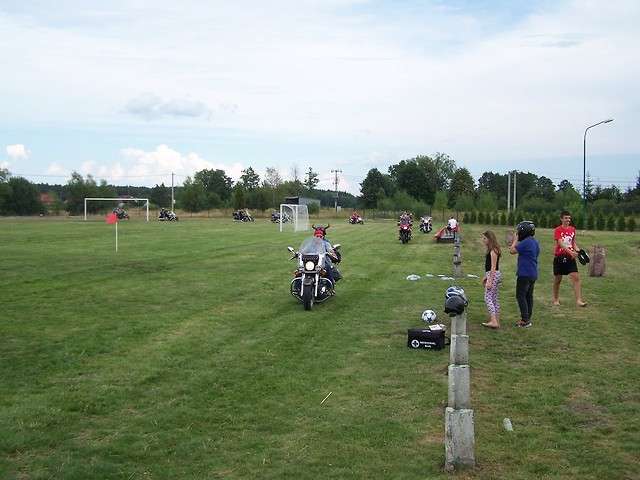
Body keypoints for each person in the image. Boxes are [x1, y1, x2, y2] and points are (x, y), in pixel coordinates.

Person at [553, 211, 587, 307]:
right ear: (561, 219)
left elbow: (572, 243)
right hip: (560, 257)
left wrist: (578, 251)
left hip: (570, 258)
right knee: (558, 279)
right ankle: (555, 299)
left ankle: (579, 301)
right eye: (565, 218)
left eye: (569, 218)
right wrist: (571, 252)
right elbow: (560, 243)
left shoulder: (572, 229)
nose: (567, 220)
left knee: (576, 278)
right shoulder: (558, 230)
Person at [509, 221, 540, 328]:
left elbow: (512, 250)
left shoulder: (526, 242)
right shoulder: (534, 242)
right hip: (533, 272)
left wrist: (515, 240)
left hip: (524, 273)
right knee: (528, 296)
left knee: (521, 295)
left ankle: (525, 319)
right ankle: (528, 317)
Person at [481, 230, 502, 328]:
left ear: (490, 239)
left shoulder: (493, 251)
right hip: (492, 274)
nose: (483, 240)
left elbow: (493, 267)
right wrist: (486, 276)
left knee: (488, 298)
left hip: (493, 274)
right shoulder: (492, 250)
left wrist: (490, 280)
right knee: (494, 298)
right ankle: (497, 320)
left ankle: (493, 321)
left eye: (485, 238)